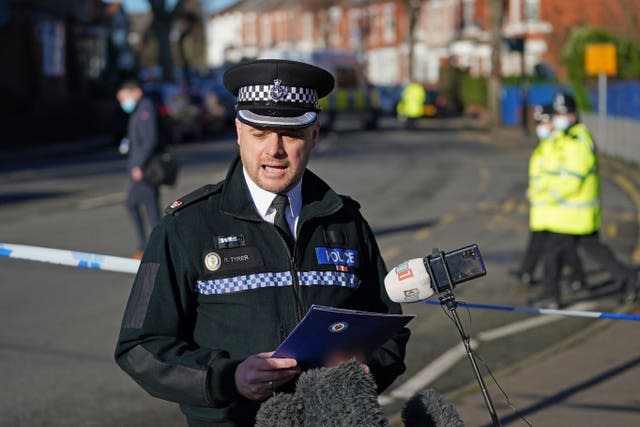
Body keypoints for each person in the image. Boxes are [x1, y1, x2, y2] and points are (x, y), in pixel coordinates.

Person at [114, 59, 410, 426]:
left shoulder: (346, 221)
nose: (274, 149)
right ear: (238, 131)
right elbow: (139, 347)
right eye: (259, 133)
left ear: (314, 135)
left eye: (291, 134)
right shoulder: (184, 227)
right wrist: (227, 377)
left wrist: (368, 371)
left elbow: (387, 327)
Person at [531, 92, 638, 308]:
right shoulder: (566, 138)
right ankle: (628, 280)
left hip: (573, 212)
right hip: (569, 214)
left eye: (564, 113)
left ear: (573, 115)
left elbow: (572, 178)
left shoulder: (579, 139)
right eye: (557, 114)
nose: (559, 118)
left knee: (554, 252)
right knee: (592, 250)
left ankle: (551, 295)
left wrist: (549, 195)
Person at [511, 104, 585, 288]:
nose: (542, 126)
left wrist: (550, 194)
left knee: (559, 248)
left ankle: (555, 287)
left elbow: (564, 176)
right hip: (545, 205)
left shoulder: (562, 143)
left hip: (555, 205)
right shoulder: (550, 143)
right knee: (558, 247)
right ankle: (572, 279)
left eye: (545, 121)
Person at [116, 80, 163, 259]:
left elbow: (149, 140)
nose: (123, 103)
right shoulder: (140, 108)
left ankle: (147, 248)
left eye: (124, 98)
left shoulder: (145, 108)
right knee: (150, 209)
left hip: (145, 170)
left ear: (135, 92)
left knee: (137, 205)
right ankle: (154, 248)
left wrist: (139, 165)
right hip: (142, 168)